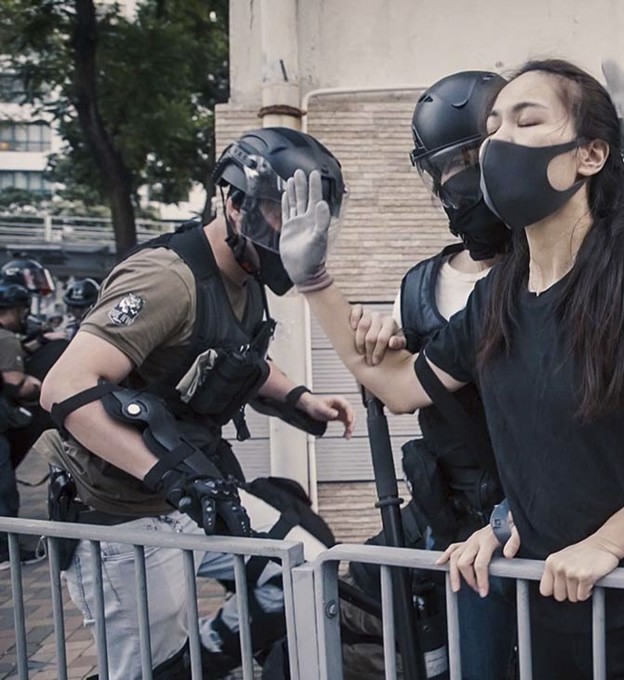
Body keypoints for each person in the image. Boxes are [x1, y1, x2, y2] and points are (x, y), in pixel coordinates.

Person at [277, 6, 624, 677]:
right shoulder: (498, 298)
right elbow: (398, 387)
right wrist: (316, 280)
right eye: (492, 127)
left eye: (526, 121)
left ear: (589, 155)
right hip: (553, 605)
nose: (498, 143)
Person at [38, 127, 357, 679]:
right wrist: (175, 477)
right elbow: (64, 387)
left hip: (188, 497)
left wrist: (300, 397)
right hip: (120, 515)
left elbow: (235, 357)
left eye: (314, 217)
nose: (300, 231)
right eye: (285, 212)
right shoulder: (167, 279)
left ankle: (201, 663)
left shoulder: (247, 274)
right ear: (234, 204)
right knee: (147, 666)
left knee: (302, 565)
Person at [348, 70, 518, 680]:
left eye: (470, 160)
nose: (457, 184)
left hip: (539, 521)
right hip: (452, 529)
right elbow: (392, 384)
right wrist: (372, 340)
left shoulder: (552, 267)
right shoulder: (419, 285)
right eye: (443, 169)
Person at [0, 281, 45, 569]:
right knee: (3, 488)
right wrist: (39, 383)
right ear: (15, 310)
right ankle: (6, 552)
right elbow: (16, 385)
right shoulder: (6, 339)